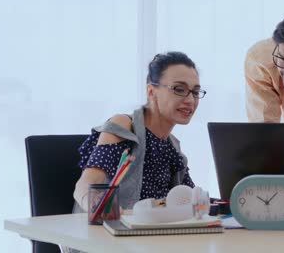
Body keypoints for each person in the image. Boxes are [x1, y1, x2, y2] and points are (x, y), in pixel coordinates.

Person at [72, 51, 206, 213]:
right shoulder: (124, 126)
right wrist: (99, 207)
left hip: (151, 234)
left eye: (195, 92)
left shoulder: (172, 148)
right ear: (151, 92)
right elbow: (85, 185)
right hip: (109, 232)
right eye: (179, 89)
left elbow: (192, 201)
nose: (191, 100)